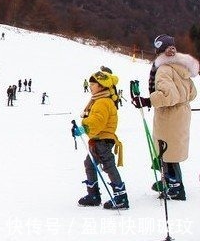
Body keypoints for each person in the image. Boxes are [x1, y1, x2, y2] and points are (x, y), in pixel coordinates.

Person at [132, 34, 198, 200]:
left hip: (169, 116)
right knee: (171, 151)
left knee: (166, 151)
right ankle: (171, 182)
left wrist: (147, 101)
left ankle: (175, 187)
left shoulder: (164, 69)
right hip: (181, 114)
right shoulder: (181, 67)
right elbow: (193, 93)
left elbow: (169, 96)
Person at [75, 70, 128, 209]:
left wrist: (84, 128)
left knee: (108, 165)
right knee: (90, 163)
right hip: (99, 139)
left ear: (101, 86)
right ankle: (93, 195)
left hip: (102, 140)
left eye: (93, 84)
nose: (90, 86)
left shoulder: (102, 102)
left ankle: (120, 196)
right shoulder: (100, 100)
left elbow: (98, 121)